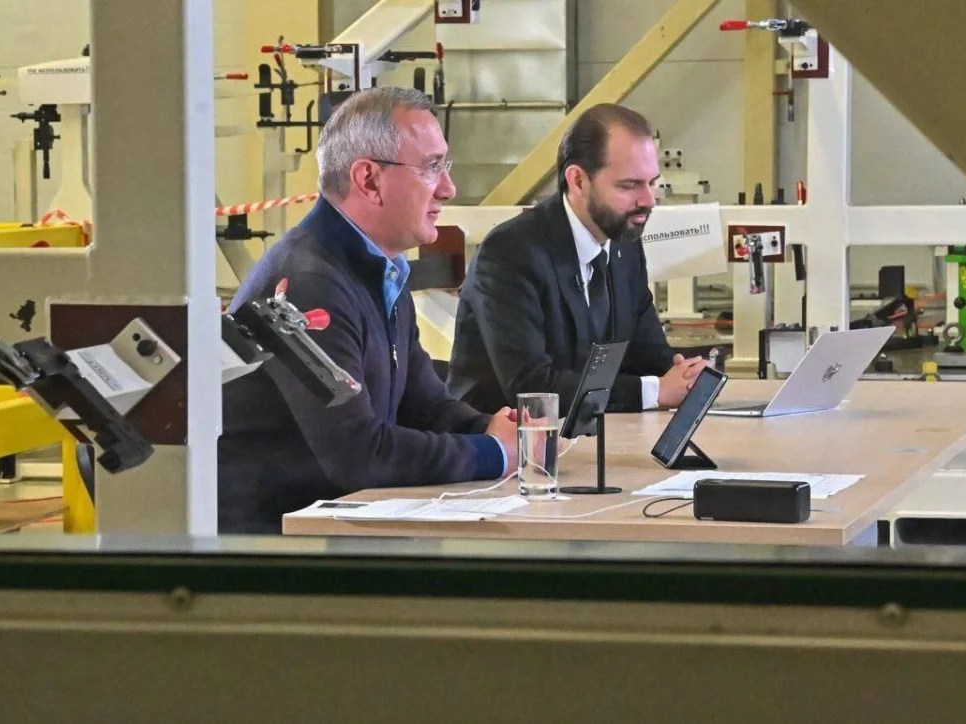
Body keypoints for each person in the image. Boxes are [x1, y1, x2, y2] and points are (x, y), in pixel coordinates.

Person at [218, 87, 518, 534]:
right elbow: (357, 453)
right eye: (431, 167)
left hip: (334, 527)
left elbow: (424, 405)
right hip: (274, 545)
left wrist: (501, 430)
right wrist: (493, 453)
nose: (448, 188)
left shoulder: (380, 269)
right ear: (369, 180)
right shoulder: (309, 284)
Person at [446, 103, 706, 415]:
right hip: (508, 439)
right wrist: (655, 391)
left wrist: (685, 376)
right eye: (629, 185)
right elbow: (532, 387)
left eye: (652, 183)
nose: (648, 200)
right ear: (578, 180)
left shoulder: (623, 245)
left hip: (594, 434)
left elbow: (648, 357)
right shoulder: (509, 253)